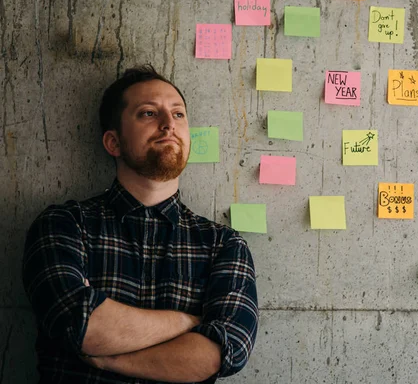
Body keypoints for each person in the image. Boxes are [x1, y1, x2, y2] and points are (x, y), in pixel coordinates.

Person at [21, 65, 258, 384]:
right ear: (113, 143)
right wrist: (189, 323)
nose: (168, 125)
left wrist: (108, 360)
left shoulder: (223, 245)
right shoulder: (64, 225)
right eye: (148, 113)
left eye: (178, 114)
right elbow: (81, 326)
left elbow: (219, 353)